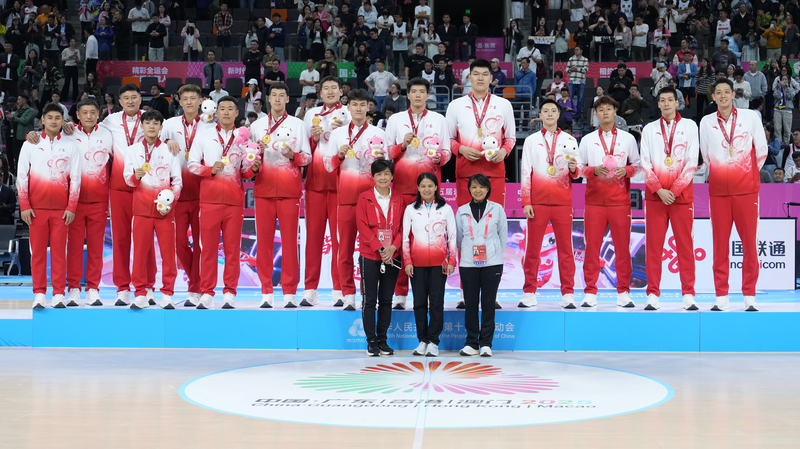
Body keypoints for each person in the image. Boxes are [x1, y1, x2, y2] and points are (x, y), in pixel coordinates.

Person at [699, 78, 768, 312]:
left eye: (726, 92)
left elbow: (761, 151)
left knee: (749, 244)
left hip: (747, 191)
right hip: (718, 193)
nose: (723, 96)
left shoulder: (750, 117)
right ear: (714, 97)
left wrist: (743, 173)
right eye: (718, 92)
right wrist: (722, 174)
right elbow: (706, 155)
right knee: (720, 245)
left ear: (733, 94)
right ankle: (722, 296)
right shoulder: (707, 122)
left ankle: (749, 295)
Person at [384, 77, 451, 309]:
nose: (418, 95)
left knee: (430, 240)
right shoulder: (395, 120)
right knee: (402, 240)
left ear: (427, 95)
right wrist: (401, 146)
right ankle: (400, 293)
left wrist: (439, 158)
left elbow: (447, 152)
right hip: (402, 188)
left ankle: (431, 295)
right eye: (414, 91)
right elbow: (386, 153)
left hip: (429, 190)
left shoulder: (439, 120)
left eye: (422, 91)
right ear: (408, 95)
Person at [188, 96, 255, 309]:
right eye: (222, 109)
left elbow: (245, 173)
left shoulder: (244, 139)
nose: (226, 112)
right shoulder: (204, 135)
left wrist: (254, 168)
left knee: (232, 249)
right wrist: (210, 170)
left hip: (235, 202)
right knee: (207, 249)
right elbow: (191, 165)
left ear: (237, 113)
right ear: (216, 113)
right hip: (209, 201)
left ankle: (229, 293)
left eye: (230, 109)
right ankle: (207, 292)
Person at [325, 88, 388, 311]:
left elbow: (387, 170)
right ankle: (348, 293)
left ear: (368, 107)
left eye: (363, 105)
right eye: (355, 105)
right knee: (344, 249)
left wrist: (382, 162)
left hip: (373, 201)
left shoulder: (379, 134)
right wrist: (339, 155)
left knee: (373, 250)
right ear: (348, 107)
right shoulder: (337, 134)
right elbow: (327, 165)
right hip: (347, 200)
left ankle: (371, 294)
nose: (359, 108)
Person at [250, 83, 311, 308]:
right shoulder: (257, 126)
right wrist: (255, 155)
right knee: (264, 243)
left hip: (289, 193)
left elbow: (307, 158)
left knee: (289, 243)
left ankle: (289, 292)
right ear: (268, 98)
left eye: (281, 96)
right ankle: (266, 291)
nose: (277, 99)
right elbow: (248, 163)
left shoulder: (297, 124)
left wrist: (292, 155)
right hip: (263, 191)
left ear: (287, 99)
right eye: (273, 95)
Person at [639, 87, 699, 310]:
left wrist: (673, 190)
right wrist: (659, 190)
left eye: (669, 100)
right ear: (658, 104)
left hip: (681, 198)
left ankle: (688, 294)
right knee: (654, 248)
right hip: (656, 199)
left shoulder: (690, 126)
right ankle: (653, 294)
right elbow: (644, 163)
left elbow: (692, 161)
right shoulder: (649, 129)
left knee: (685, 246)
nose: (666, 104)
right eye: (662, 100)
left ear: (677, 102)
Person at [577, 96, 641, 307]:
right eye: (601, 110)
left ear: (615, 112)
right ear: (596, 115)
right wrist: (593, 170)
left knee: (623, 248)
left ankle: (623, 291)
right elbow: (578, 169)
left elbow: (638, 166)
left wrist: (627, 170)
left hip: (620, 203)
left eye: (608, 109)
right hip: (594, 203)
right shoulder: (587, 140)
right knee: (592, 247)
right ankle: (590, 292)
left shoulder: (628, 138)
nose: (605, 113)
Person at [519, 99, 580, 308]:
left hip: (563, 203)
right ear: (541, 115)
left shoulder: (570, 139)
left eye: (553, 110)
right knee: (533, 249)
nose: (550, 114)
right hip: (537, 204)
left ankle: (568, 293)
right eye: (545, 110)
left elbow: (577, 173)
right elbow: (526, 172)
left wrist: (574, 168)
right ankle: (529, 291)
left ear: (558, 114)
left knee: (566, 249)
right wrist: (526, 201)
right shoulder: (531, 141)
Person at [19, 103, 80, 309]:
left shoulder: (71, 146)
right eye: (50, 117)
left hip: (62, 210)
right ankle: (38, 293)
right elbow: (21, 176)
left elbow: (76, 179)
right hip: (36, 209)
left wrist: (71, 206)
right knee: (36, 252)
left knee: (59, 252)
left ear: (64, 121)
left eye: (58, 117)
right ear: (42, 120)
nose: (54, 121)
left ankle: (59, 293)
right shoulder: (30, 144)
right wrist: (25, 205)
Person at [160, 84, 215, 307]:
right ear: (179, 101)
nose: (190, 102)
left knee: (202, 245)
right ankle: (196, 282)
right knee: (179, 243)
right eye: (186, 99)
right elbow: (153, 143)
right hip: (178, 193)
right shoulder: (170, 125)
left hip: (204, 191)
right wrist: (166, 141)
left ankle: (194, 290)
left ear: (201, 101)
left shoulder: (211, 125)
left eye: (194, 98)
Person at [123, 110, 181, 309]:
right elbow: (127, 180)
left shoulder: (169, 150)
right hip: (141, 211)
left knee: (168, 254)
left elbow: (178, 182)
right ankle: (140, 293)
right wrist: (136, 176)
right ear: (142, 125)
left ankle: (167, 293)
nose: (152, 126)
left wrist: (170, 203)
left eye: (156, 123)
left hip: (165, 212)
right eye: (148, 122)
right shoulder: (131, 150)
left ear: (161, 127)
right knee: (139, 254)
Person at [301, 77, 350, 307]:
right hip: (315, 184)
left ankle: (339, 288)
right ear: (320, 92)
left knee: (340, 239)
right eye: (325, 88)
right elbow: (303, 148)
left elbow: (353, 146)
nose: (330, 91)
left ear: (341, 91)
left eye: (334, 88)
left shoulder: (349, 113)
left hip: (340, 184)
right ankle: (310, 288)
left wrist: (342, 134)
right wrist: (315, 138)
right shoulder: (311, 114)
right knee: (313, 238)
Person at [446, 59, 515, 211]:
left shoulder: (504, 105)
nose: (480, 78)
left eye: (485, 74)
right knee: (466, 221)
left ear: (491, 78)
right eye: (476, 74)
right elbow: (448, 139)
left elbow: (510, 138)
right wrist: (462, 149)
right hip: (466, 171)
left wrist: (503, 151)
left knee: (494, 220)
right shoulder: (455, 105)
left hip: (494, 170)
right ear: (469, 78)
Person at [65, 99, 113, 307]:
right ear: (77, 115)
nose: (89, 116)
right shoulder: (67, 134)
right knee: (74, 247)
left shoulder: (107, 134)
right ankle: (73, 288)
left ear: (98, 114)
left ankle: (93, 288)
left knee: (95, 247)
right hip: (73, 201)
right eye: (84, 112)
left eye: (93, 112)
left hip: (99, 200)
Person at [402, 172, 455, 357]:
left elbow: (452, 236)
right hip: (416, 264)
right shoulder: (411, 209)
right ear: (418, 188)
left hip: (439, 264)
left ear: (436, 187)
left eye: (430, 185)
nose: (426, 189)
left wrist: (451, 260)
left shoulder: (446, 209)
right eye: (423, 186)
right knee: (419, 304)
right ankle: (422, 340)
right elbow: (405, 239)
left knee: (436, 304)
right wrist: (407, 261)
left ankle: (434, 341)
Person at [357, 159, 405, 356]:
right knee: (370, 300)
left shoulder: (400, 199)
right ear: (373, 177)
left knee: (386, 299)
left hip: (392, 256)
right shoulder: (364, 198)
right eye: (379, 174)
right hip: (370, 255)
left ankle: (383, 340)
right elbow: (362, 226)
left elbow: (403, 227)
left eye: (386, 173)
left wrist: (393, 248)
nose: (383, 177)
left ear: (392, 176)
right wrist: (379, 248)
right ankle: (371, 341)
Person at [455, 174, 507, 357]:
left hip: (492, 263)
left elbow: (503, 235)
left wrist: (494, 253)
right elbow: (459, 239)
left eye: (482, 187)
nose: (478, 190)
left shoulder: (498, 209)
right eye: (474, 187)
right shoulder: (461, 210)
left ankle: (485, 343)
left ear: (488, 189)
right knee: (470, 304)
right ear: (469, 189)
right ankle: (471, 343)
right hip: (468, 263)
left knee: (488, 303)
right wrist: (469, 251)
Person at [5, 94, 34, 174]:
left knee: (27, 158)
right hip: (17, 137)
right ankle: (18, 174)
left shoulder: (31, 111)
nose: (17, 102)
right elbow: (13, 119)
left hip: (26, 138)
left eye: (19, 100)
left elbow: (25, 121)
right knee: (17, 157)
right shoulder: (18, 110)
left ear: (24, 101)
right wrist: (9, 118)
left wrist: (13, 118)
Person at [773, 75, 799, 145]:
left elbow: (790, 96)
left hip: (787, 110)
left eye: (786, 79)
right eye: (783, 79)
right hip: (777, 110)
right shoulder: (777, 88)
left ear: (788, 81)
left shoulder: (791, 88)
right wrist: (778, 88)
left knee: (787, 130)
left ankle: (786, 145)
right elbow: (776, 96)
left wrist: (788, 88)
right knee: (777, 129)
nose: (784, 81)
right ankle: (778, 144)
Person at [566, 46, 589, 123]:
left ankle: (578, 114)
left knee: (580, 98)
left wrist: (576, 69)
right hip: (572, 80)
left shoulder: (585, 59)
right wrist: (570, 69)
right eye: (575, 50)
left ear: (581, 51)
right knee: (570, 97)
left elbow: (586, 70)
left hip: (581, 80)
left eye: (577, 50)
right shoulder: (571, 59)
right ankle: (569, 113)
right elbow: (566, 70)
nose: (575, 51)